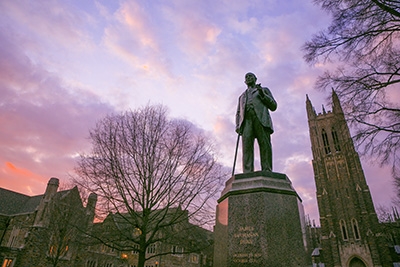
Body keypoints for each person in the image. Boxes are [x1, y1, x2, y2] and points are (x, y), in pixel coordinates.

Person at [235, 72, 277, 173]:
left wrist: (263, 95)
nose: (248, 78)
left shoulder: (264, 90)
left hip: (261, 120)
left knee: (265, 145)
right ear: (245, 81)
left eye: (251, 76)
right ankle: (247, 171)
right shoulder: (242, 97)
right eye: (246, 77)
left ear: (256, 78)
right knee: (247, 147)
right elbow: (238, 113)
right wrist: (237, 125)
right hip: (246, 122)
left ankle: (267, 169)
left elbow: (274, 106)